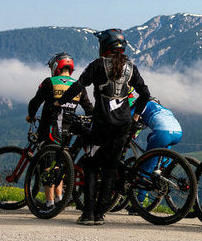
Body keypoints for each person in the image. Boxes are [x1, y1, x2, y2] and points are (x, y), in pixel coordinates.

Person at [57, 29, 151, 225]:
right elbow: (145, 94)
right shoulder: (131, 67)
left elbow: (79, 85)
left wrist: (61, 101)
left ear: (104, 46)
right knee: (110, 168)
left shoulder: (98, 64)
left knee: (91, 165)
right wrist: (135, 117)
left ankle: (88, 214)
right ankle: (100, 214)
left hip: (102, 123)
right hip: (123, 124)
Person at [27, 52, 94, 208]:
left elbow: (35, 102)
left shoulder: (50, 82)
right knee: (61, 163)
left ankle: (49, 203)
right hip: (68, 130)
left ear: (56, 66)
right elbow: (89, 109)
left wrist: (31, 115)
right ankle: (59, 200)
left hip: (50, 128)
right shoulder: (78, 85)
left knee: (49, 163)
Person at [131, 96, 182, 206]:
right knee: (154, 140)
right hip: (178, 133)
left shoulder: (142, 104)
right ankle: (163, 170)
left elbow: (129, 119)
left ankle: (138, 204)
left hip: (162, 133)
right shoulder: (164, 109)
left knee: (145, 168)